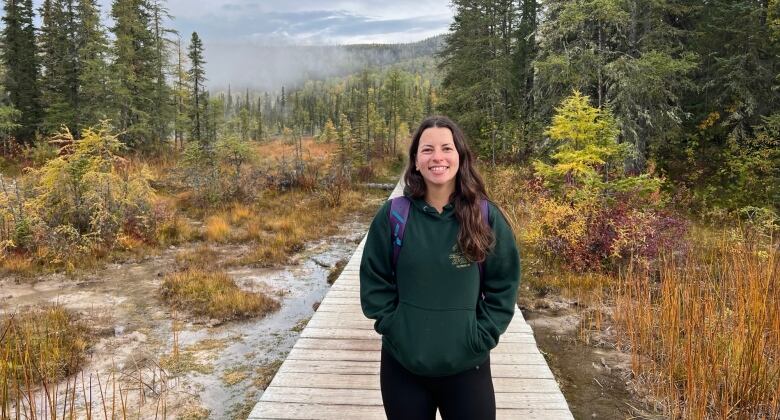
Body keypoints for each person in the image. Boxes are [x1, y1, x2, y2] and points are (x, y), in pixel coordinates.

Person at [359, 115, 521, 420]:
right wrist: (396, 328)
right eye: (427, 150)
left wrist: (482, 335)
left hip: (467, 368)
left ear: (460, 157)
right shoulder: (393, 217)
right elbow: (374, 281)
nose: (437, 157)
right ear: (416, 161)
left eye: (446, 148)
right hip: (403, 368)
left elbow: (504, 284)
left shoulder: (485, 217)